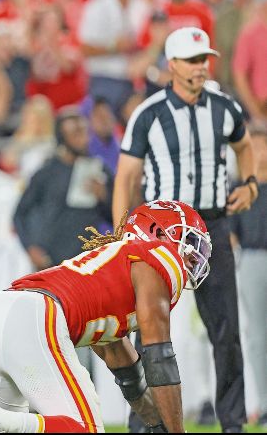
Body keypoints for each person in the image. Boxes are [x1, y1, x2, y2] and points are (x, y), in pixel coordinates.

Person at [0, 199, 212, 433]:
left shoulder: (113, 271)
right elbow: (159, 357)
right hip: (31, 318)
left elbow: (131, 378)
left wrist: (158, 426)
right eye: (189, 241)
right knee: (85, 429)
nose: (194, 256)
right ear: (160, 233)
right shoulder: (157, 259)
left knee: (7, 431)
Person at [113, 27, 257, 433]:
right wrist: (122, 236)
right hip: (160, 235)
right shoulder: (149, 113)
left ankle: (232, 423)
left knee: (226, 331)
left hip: (211, 227)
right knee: (149, 331)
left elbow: (245, 145)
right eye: (192, 60)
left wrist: (250, 184)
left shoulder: (224, 107)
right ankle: (146, 423)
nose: (201, 67)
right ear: (172, 64)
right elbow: (126, 177)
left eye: (204, 59)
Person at [14, 112, 113, 271]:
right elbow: (20, 214)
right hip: (49, 261)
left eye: (84, 131)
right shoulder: (46, 172)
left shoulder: (100, 170)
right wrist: (30, 247)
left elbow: (115, 217)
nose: (83, 139)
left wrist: (104, 196)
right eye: (75, 134)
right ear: (62, 138)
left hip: (86, 262)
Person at [230, 125, 267, 427]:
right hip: (252, 259)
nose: (259, 153)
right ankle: (265, 404)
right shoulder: (240, 188)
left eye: (263, 146)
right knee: (257, 335)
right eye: (252, 147)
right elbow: (232, 235)